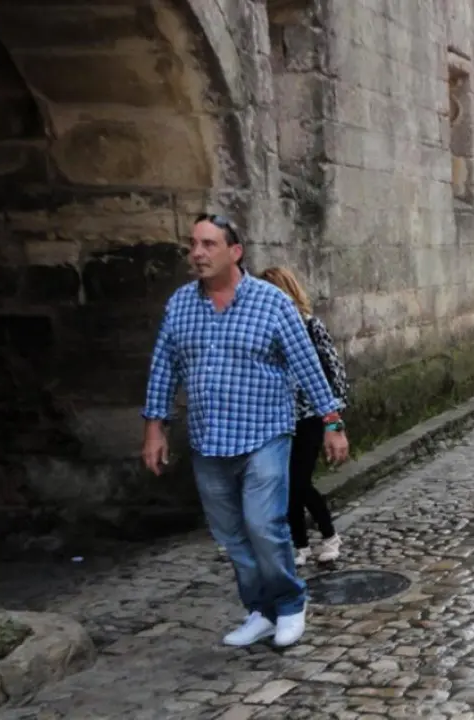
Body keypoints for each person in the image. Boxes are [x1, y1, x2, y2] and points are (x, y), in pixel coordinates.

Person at [141, 213, 350, 649]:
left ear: (234, 252)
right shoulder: (180, 304)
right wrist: (154, 429)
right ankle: (260, 610)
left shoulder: (271, 303)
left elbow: (308, 366)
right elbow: (164, 367)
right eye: (193, 244)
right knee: (231, 535)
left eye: (209, 244)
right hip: (209, 440)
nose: (197, 253)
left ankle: (291, 604)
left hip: (265, 435)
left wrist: (332, 423)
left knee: (263, 524)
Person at [259, 267, 350, 567]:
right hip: (277, 419)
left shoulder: (311, 327)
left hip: (310, 417)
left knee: (299, 482)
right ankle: (299, 545)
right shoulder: (263, 332)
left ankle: (329, 535)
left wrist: (333, 423)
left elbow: (334, 374)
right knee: (283, 484)